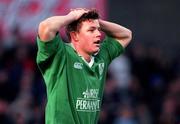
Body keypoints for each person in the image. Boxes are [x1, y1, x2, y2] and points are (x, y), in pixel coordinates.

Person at [36, 8, 132, 124]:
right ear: (75, 35)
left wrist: (96, 21)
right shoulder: (60, 54)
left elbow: (126, 35)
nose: (98, 34)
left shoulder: (101, 57)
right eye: (91, 30)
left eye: (98, 30)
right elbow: (45, 27)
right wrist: (72, 17)